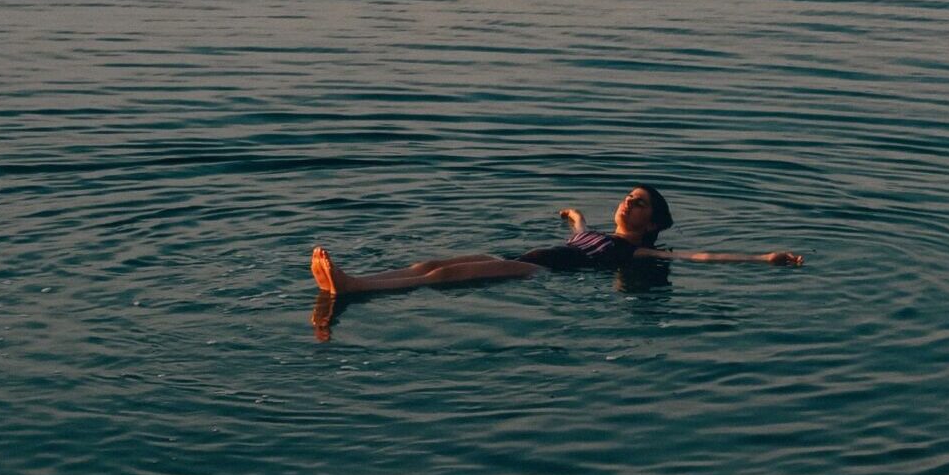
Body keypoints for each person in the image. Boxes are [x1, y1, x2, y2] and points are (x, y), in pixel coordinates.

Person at [309, 184, 803, 301]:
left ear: (653, 225)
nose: (629, 203)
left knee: (445, 277)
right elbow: (576, 229)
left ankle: (353, 287)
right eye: (628, 197)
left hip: (539, 272)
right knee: (428, 263)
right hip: (520, 257)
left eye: (640, 204)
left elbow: (703, 256)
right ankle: (353, 282)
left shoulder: (637, 250)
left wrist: (764, 258)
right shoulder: (597, 233)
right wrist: (573, 215)